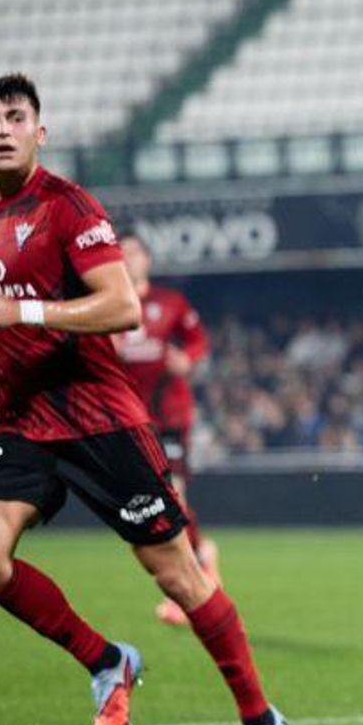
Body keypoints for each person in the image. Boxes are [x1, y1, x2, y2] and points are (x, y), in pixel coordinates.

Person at [0, 73, 286, 725]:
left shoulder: (70, 208)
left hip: (100, 416)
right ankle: (108, 661)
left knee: (180, 577)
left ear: (42, 131)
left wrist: (26, 317)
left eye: (16, 116)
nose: (3, 127)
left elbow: (122, 307)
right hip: (25, 420)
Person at [115, 233, 220, 627]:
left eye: (135, 252)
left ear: (147, 260)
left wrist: (186, 359)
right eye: (121, 253)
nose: (128, 258)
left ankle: (188, 591)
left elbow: (198, 341)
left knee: (172, 502)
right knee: (149, 511)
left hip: (171, 416)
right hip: (129, 420)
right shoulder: (107, 306)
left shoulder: (170, 304)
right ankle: (201, 558)